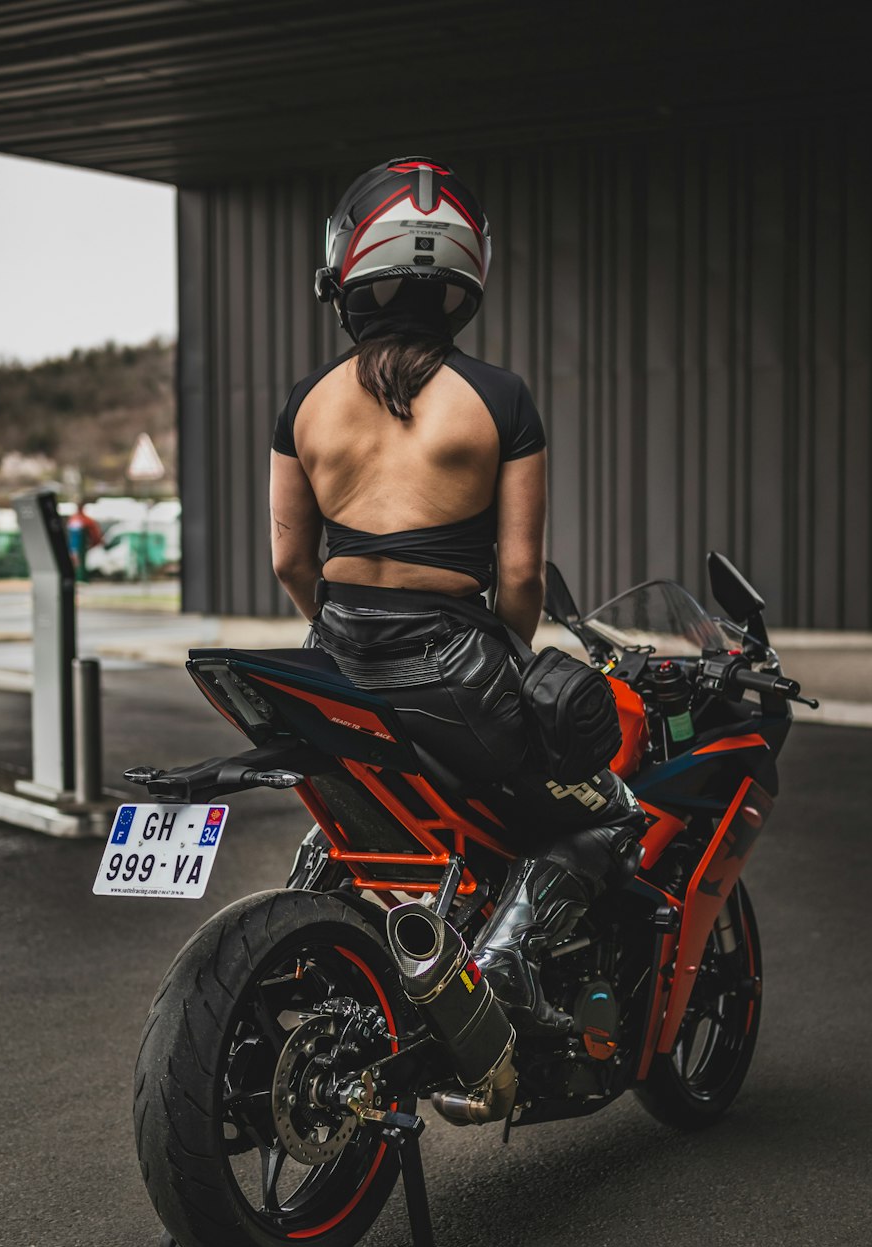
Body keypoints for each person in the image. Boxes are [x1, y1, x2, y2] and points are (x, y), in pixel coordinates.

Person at [270, 157, 645, 1033]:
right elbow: (519, 576)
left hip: (330, 666)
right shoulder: (500, 399)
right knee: (611, 814)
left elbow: (293, 563)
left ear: (349, 274)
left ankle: (295, 956)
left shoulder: (304, 403)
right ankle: (506, 965)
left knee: (362, 823)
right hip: (455, 668)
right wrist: (502, 666)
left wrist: (340, 640)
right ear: (464, 280)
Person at [66, 501, 103, 582]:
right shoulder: (75, 519)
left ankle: (81, 578)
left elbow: (95, 533)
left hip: (80, 546)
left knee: (80, 563)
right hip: (75, 546)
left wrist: (95, 542)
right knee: (76, 562)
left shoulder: (84, 520)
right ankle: (78, 578)